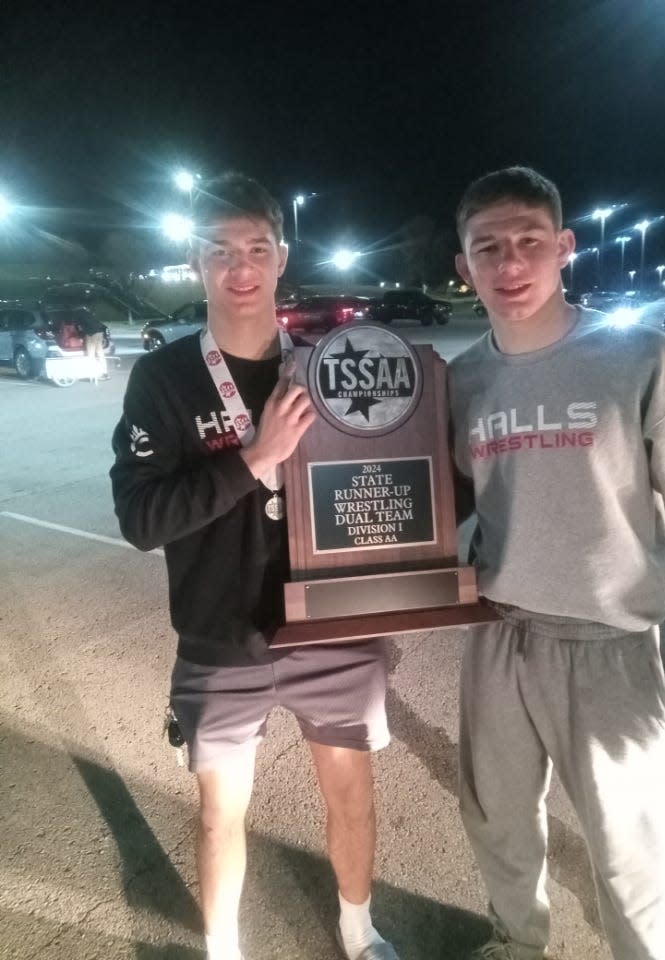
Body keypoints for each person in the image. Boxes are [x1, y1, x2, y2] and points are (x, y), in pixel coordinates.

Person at [110, 173, 399, 960]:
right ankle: (222, 950)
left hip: (334, 632)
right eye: (220, 251)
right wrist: (254, 459)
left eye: (256, 248)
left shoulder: (332, 369)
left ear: (281, 258)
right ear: (196, 262)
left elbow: (393, 488)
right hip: (219, 637)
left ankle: (357, 930)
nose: (240, 266)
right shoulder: (163, 380)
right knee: (217, 815)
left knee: (351, 797)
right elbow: (141, 520)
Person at [448, 165, 665, 960]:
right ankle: (514, 941)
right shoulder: (461, 381)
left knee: (635, 858)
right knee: (497, 823)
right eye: (486, 246)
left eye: (529, 241)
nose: (509, 263)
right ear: (462, 265)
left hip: (609, 648)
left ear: (564, 247)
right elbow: (426, 508)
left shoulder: (638, 356)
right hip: (497, 635)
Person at [78, 308, 109, 380]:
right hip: (99, 333)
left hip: (91, 334)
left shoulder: (78, 313)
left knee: (91, 355)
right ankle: (105, 373)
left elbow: (80, 327)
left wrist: (81, 336)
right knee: (100, 353)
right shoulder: (90, 312)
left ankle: (93, 374)